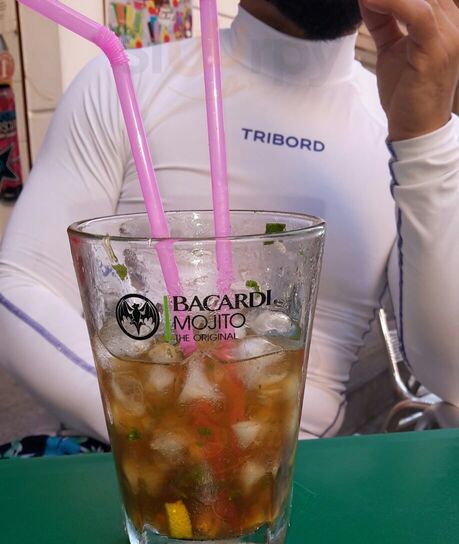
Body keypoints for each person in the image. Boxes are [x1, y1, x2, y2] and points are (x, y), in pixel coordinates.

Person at [0, 0, 458, 443]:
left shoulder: (410, 121)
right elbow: (21, 281)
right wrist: (161, 422)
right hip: (132, 451)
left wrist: (425, 141)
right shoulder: (123, 82)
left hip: (304, 467)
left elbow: (450, 376)